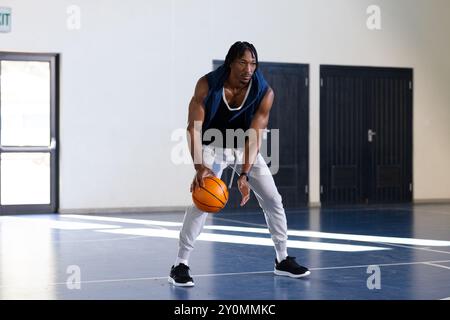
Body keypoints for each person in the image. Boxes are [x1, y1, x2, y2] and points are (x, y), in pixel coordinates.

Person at [169, 41, 310, 287]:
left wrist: (244, 174)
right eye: (243, 62)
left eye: (253, 63)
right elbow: (193, 128)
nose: (249, 69)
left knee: (273, 199)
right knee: (202, 199)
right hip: (212, 145)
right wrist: (200, 167)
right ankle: (181, 264)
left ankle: (282, 259)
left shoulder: (264, 92)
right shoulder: (207, 85)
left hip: (243, 145)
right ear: (230, 63)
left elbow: (255, 135)